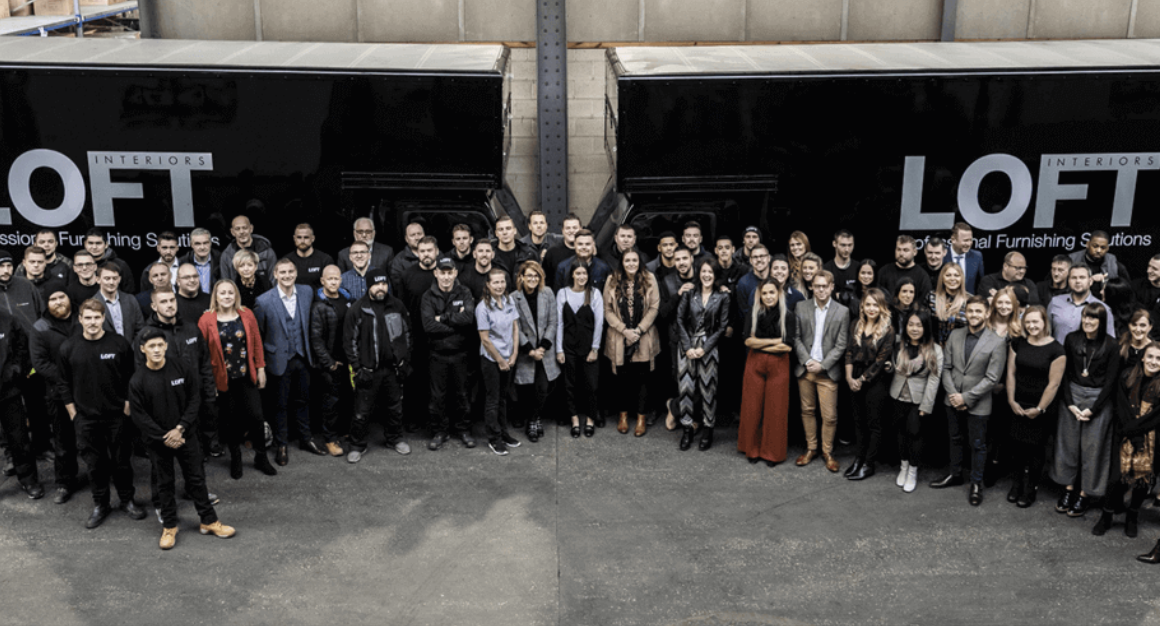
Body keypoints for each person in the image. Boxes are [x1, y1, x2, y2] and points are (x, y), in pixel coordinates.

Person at [130, 329, 235, 550]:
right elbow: (140, 416)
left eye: (160, 345)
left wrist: (180, 429)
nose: (156, 350)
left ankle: (209, 521)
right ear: (143, 349)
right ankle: (169, 526)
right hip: (158, 442)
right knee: (164, 484)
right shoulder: (138, 380)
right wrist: (164, 436)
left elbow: (194, 399)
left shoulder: (181, 367)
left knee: (196, 479)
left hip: (186, 435)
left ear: (166, 346)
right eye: (151, 346)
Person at [57, 299, 142, 529]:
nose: (93, 322)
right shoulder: (68, 347)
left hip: (117, 416)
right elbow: (63, 383)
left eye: (97, 317)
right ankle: (100, 504)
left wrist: (127, 406)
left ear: (103, 318)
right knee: (95, 465)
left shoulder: (119, 344)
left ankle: (127, 500)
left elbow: (131, 377)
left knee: (122, 462)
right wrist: (73, 414)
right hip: (85, 418)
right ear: (80, 319)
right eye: (88, 317)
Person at [931, 295, 1006, 506]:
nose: (973, 315)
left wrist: (965, 397)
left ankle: (976, 483)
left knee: (978, 444)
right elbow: (946, 368)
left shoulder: (997, 342)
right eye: (970, 311)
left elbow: (992, 378)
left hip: (979, 401)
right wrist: (954, 394)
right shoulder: (955, 334)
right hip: (952, 397)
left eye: (978, 311)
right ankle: (955, 474)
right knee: (954, 438)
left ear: (987, 314)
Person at [198, 279, 277, 479]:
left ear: (236, 295)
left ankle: (261, 457)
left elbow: (257, 342)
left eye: (230, 292)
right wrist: (209, 382)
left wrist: (260, 368)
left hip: (246, 376)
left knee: (257, 417)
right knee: (230, 421)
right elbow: (202, 354)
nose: (227, 296)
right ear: (216, 296)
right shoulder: (206, 319)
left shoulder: (246, 314)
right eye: (222, 293)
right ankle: (236, 458)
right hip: (222, 380)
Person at [135, 287, 222, 461]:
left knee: (194, 455)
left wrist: (209, 390)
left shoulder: (191, 328)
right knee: (165, 457)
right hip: (166, 401)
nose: (169, 305)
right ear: (154, 306)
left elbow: (204, 361)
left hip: (194, 397)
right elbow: (140, 371)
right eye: (163, 302)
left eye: (172, 300)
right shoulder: (146, 335)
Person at [1052, 302, 1121, 518]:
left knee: (1093, 449)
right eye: (1085, 317)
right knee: (1068, 445)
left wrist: (1094, 409)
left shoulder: (1111, 345)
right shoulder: (1072, 339)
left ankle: (1085, 493)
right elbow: (1064, 374)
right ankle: (1068, 488)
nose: (1087, 321)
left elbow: (1111, 382)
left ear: (1102, 321)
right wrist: (1070, 403)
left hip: (1098, 399)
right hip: (1072, 395)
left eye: (1093, 318)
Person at [344, 268, 413, 462]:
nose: (381, 288)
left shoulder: (397, 305)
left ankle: (395, 439)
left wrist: (404, 361)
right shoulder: (357, 309)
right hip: (367, 370)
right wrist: (358, 368)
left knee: (395, 408)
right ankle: (357, 445)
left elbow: (408, 334)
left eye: (384, 284)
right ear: (369, 286)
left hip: (392, 369)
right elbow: (349, 342)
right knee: (361, 412)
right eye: (376, 284)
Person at [254, 259, 316, 465]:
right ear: (275, 274)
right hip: (279, 359)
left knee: (304, 400)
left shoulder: (307, 292)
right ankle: (281, 444)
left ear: (296, 273)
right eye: (282, 272)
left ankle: (306, 439)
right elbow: (259, 334)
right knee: (280, 404)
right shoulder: (263, 301)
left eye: (290, 271)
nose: (287, 276)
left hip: (303, 356)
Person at [1005, 305, 1065, 508]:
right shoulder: (1017, 343)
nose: (1031, 326)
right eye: (1028, 322)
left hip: (1041, 407)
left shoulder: (1057, 350)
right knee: (1016, 448)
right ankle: (1016, 484)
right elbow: (1011, 373)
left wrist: (1039, 409)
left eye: (1035, 322)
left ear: (1044, 322)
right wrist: (1011, 400)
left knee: (1036, 450)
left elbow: (1054, 384)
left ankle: (1030, 489)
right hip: (1018, 403)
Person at [1098, 342, 1160, 539]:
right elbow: (1121, 407)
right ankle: (1106, 516)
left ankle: (1132, 516)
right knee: (1116, 478)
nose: (1154, 361)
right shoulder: (1127, 376)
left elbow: (1156, 417)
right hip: (1124, 434)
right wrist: (1134, 435)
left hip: (1151, 439)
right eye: (1150, 356)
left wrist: (1138, 434)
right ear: (1142, 357)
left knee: (1142, 479)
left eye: (1159, 358)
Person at [792, 270, 849, 473]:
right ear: (811, 287)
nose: (821, 290)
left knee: (829, 416)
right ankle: (811, 449)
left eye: (825, 286)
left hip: (827, 372)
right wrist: (807, 360)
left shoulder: (842, 311)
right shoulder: (801, 307)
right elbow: (796, 337)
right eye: (817, 286)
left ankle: (827, 452)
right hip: (806, 369)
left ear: (832, 287)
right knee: (807, 411)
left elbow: (841, 345)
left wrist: (823, 365)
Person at [604, 250, 661, 440]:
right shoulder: (612, 279)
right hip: (619, 336)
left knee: (643, 378)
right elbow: (607, 310)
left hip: (643, 336)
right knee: (622, 379)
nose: (631, 263)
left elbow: (654, 307)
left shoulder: (649, 278)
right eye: (627, 260)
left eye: (634, 260)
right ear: (622, 262)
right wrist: (624, 330)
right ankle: (623, 416)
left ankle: (641, 418)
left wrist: (638, 330)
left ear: (640, 261)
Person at [29, 285, 79, 503]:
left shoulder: (83, 319)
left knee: (95, 438)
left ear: (69, 298)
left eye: (62, 297)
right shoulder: (40, 327)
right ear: (46, 303)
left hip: (87, 390)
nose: (58, 302)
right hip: (57, 393)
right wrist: (68, 377)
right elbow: (40, 363)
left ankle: (102, 477)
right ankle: (64, 483)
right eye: (53, 299)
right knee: (63, 441)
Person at [421, 258, 476, 450]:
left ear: (455, 273)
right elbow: (428, 325)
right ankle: (440, 432)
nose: (446, 277)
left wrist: (442, 318)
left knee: (463, 394)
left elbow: (468, 318)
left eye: (449, 272)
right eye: (442, 273)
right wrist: (455, 324)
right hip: (437, 354)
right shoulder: (428, 296)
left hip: (461, 354)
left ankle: (464, 430)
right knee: (438, 396)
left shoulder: (465, 292)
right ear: (436, 273)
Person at [738, 280, 795, 465]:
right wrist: (774, 341)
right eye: (764, 293)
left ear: (779, 293)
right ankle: (752, 449)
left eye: (772, 292)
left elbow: (787, 346)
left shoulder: (788, 315)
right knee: (752, 407)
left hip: (779, 365)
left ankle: (772, 454)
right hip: (754, 363)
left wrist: (760, 343)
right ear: (760, 296)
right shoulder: (753, 313)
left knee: (776, 409)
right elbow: (747, 341)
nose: (768, 296)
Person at [674, 260, 729, 451]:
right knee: (686, 389)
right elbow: (679, 319)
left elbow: (722, 327)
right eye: (704, 271)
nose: (707, 275)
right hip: (687, 346)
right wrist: (687, 346)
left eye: (710, 272)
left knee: (708, 390)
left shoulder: (722, 296)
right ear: (699, 273)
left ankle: (707, 429)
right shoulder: (689, 293)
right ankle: (687, 429)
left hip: (709, 347)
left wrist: (704, 348)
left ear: (716, 275)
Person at [889, 308, 943, 493]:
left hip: (918, 399)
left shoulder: (935, 349)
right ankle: (903, 467)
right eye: (911, 324)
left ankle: (912, 471)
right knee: (900, 433)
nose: (914, 329)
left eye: (919, 325)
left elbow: (934, 379)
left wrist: (926, 405)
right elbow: (891, 365)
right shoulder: (899, 343)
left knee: (915, 434)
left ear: (925, 327)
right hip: (897, 395)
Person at [844, 287, 895, 480]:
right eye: (868, 305)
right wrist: (849, 378)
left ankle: (869, 463)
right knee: (858, 423)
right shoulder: (856, 324)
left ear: (882, 307)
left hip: (875, 379)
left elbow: (880, 361)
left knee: (874, 424)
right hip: (854, 376)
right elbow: (849, 352)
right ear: (862, 306)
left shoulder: (888, 330)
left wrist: (861, 380)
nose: (871, 309)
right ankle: (858, 459)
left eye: (876, 305)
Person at [511, 261, 559, 443]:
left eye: (536, 276)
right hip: (526, 351)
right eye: (529, 275)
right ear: (521, 277)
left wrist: (543, 347)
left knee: (543, 387)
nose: (533, 279)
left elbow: (553, 322)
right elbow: (515, 327)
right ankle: (534, 418)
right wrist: (530, 351)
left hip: (545, 350)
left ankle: (533, 420)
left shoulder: (547, 293)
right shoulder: (513, 297)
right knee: (527, 389)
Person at [309, 265, 354, 457]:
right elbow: (316, 339)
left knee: (347, 398)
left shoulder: (347, 299)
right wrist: (329, 363)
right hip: (331, 363)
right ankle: (330, 439)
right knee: (331, 403)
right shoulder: (319, 306)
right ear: (322, 281)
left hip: (348, 359)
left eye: (336, 278)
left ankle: (344, 432)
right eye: (330, 279)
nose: (333, 282)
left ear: (340, 280)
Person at [476, 268, 522, 456]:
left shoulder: (509, 300)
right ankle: (494, 439)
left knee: (504, 398)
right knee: (493, 400)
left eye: (502, 281)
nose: (499, 285)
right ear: (488, 285)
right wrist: (500, 360)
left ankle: (504, 433)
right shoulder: (482, 308)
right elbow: (485, 339)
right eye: (495, 282)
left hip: (508, 357)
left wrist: (514, 354)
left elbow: (515, 328)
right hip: (491, 359)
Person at [0, 308, 44, 499]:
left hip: (8, 391)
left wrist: (15, 368)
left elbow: (22, 345)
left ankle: (28, 479)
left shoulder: (6, 318)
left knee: (19, 439)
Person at [556, 263, 603, 438]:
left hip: (588, 347)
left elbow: (599, 323)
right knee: (569, 385)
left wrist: (595, 348)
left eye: (584, 273)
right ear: (572, 275)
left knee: (591, 385)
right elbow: (559, 323)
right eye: (578, 273)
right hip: (568, 347)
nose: (582, 277)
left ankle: (590, 419)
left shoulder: (594, 293)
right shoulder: (562, 293)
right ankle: (574, 419)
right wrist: (559, 349)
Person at [1049, 264, 1114, 344]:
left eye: (1082, 277)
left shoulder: (1103, 308)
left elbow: (1110, 342)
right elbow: (1045, 333)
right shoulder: (1055, 302)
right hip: (1057, 351)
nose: (1078, 281)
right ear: (1068, 281)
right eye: (1074, 278)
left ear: (1090, 281)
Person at [1070, 230, 1130, 295]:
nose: (1098, 250)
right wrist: (1090, 279)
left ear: (1107, 248)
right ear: (1087, 244)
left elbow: (1126, 289)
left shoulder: (1113, 263)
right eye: (1095, 246)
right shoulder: (1072, 260)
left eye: (1103, 247)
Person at [220, 215, 277, 283]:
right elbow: (226, 283)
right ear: (232, 232)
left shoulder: (267, 252)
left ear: (251, 229)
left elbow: (274, 280)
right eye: (237, 229)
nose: (241, 232)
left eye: (245, 228)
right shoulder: (227, 256)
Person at [878, 235, 933, 302]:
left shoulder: (922, 276)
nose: (901, 253)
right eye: (898, 249)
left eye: (905, 250)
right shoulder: (884, 271)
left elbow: (924, 302)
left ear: (915, 252)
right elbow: (877, 298)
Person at [96, 264, 144, 340]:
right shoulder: (92, 304)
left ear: (119, 279)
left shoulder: (130, 300)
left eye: (115, 278)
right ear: (98, 280)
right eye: (107, 279)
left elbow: (140, 329)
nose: (111, 282)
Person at [83, 228, 136, 294]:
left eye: (98, 243)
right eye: (90, 243)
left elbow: (129, 293)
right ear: (85, 244)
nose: (94, 247)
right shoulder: (79, 265)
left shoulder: (120, 265)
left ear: (106, 245)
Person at [284, 223, 334, 289]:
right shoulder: (286, 261)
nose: (302, 241)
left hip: (319, 295)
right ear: (294, 238)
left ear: (313, 238)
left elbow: (331, 285)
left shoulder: (325, 260)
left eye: (306, 237)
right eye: (299, 237)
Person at [930, 263, 969, 346]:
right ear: (942, 278)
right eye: (948, 275)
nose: (952, 279)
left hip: (960, 348)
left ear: (962, 278)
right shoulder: (931, 298)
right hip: (934, 348)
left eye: (956, 275)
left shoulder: (970, 300)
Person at [543, 213, 583, 290]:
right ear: (562, 231)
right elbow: (545, 282)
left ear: (581, 229)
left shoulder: (587, 251)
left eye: (575, 228)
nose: (571, 231)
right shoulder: (552, 253)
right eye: (568, 228)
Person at [945, 222, 984, 295]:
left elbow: (980, 283)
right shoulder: (942, 255)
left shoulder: (977, 256)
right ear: (953, 240)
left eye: (970, 240)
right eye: (965, 240)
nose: (969, 244)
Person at [178, 227, 220, 294]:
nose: (202, 247)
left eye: (205, 243)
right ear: (191, 245)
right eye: (197, 244)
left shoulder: (220, 260)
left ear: (210, 243)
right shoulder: (183, 262)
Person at [735, 245, 771, 322]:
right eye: (755, 257)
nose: (759, 259)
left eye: (762, 256)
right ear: (751, 261)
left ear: (769, 258)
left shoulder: (776, 278)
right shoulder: (743, 283)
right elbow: (744, 315)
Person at [389, 221, 429, 288]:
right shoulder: (398, 260)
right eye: (412, 235)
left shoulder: (436, 254)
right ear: (406, 239)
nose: (417, 238)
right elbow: (397, 285)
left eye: (419, 234)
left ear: (424, 235)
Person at [823, 229, 858, 303]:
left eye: (850, 245)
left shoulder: (858, 268)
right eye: (843, 245)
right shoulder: (826, 269)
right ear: (834, 244)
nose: (847, 249)